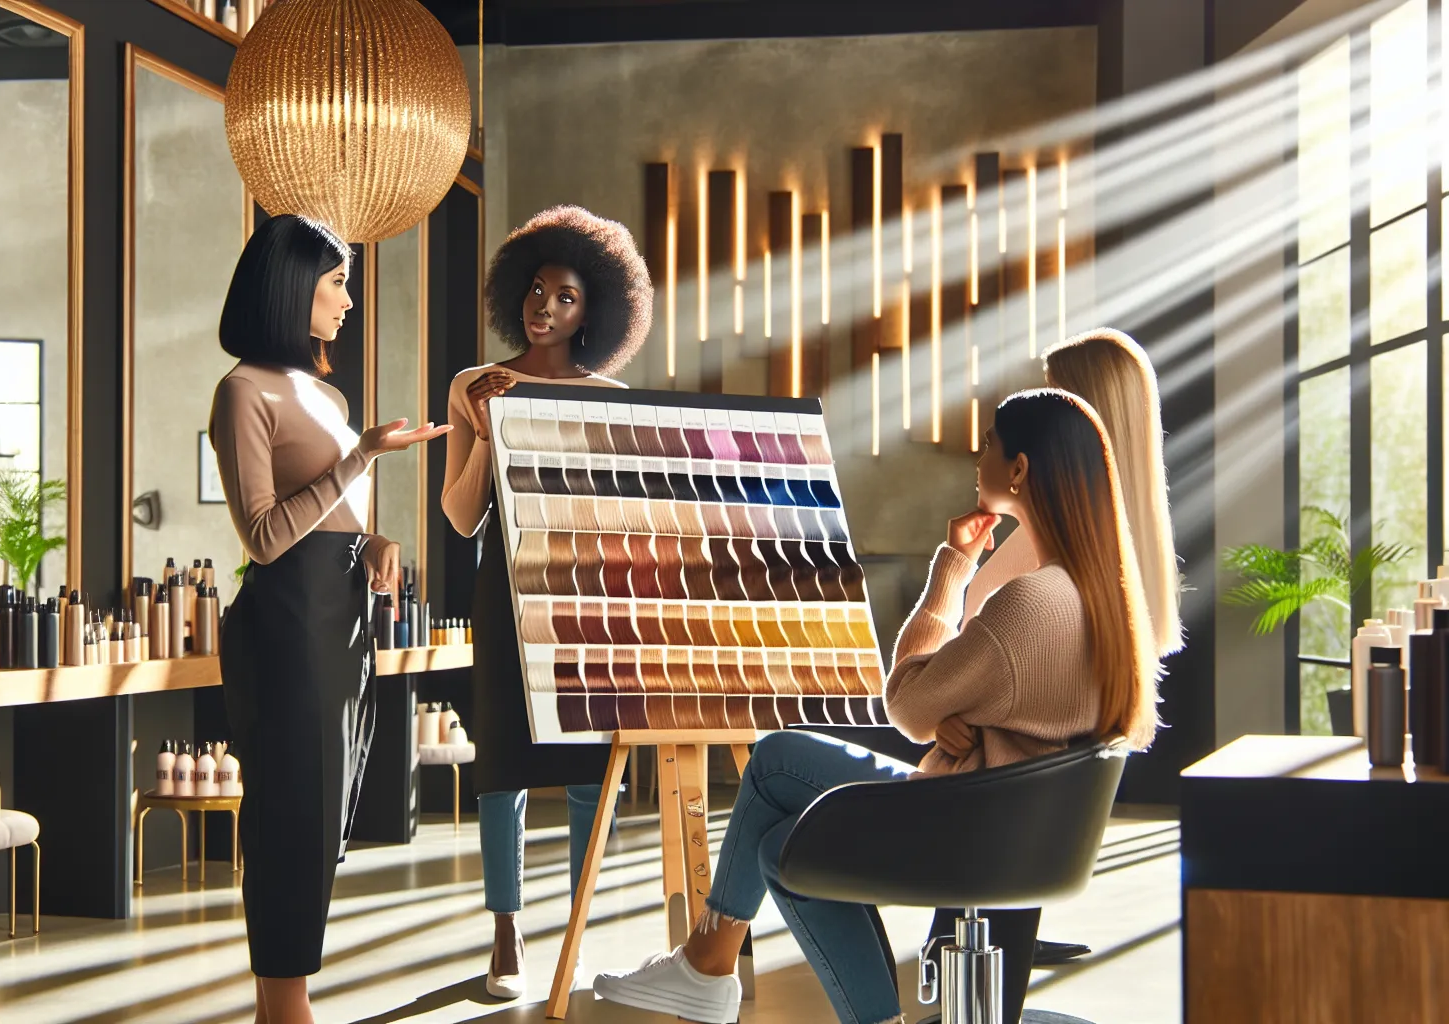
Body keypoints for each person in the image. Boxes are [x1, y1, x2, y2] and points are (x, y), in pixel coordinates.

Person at [593, 388, 1161, 1024]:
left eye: (989, 445)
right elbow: (1025, 717)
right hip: (1019, 833)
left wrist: (954, 569)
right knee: (782, 845)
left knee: (777, 757)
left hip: (962, 827)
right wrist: (973, 717)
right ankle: (715, 971)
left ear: (1021, 470)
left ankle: (706, 968)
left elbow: (907, 704)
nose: (979, 458)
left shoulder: (1027, 605)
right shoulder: (1106, 599)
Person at [211, 214, 449, 1024]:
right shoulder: (242, 391)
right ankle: (287, 1007)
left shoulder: (326, 393)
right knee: (289, 813)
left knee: (325, 814)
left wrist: (378, 540)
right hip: (285, 625)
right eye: (337, 282)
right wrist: (364, 455)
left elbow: (337, 519)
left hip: (342, 620)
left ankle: (282, 1006)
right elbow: (265, 535)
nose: (348, 300)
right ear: (291, 288)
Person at [440, 205, 653, 999]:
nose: (545, 306)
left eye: (565, 296)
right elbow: (462, 516)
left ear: (595, 308)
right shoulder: (475, 385)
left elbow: (623, 519)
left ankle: (576, 931)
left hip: (585, 591)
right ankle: (506, 935)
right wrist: (491, 429)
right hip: (503, 581)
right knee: (501, 759)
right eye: (534, 289)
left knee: (590, 767)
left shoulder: (614, 397)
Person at [952, 326, 1182, 969]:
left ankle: (973, 927)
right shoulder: (1132, 535)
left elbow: (974, 632)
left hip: (992, 779)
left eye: (1057, 395)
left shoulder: (1048, 539)